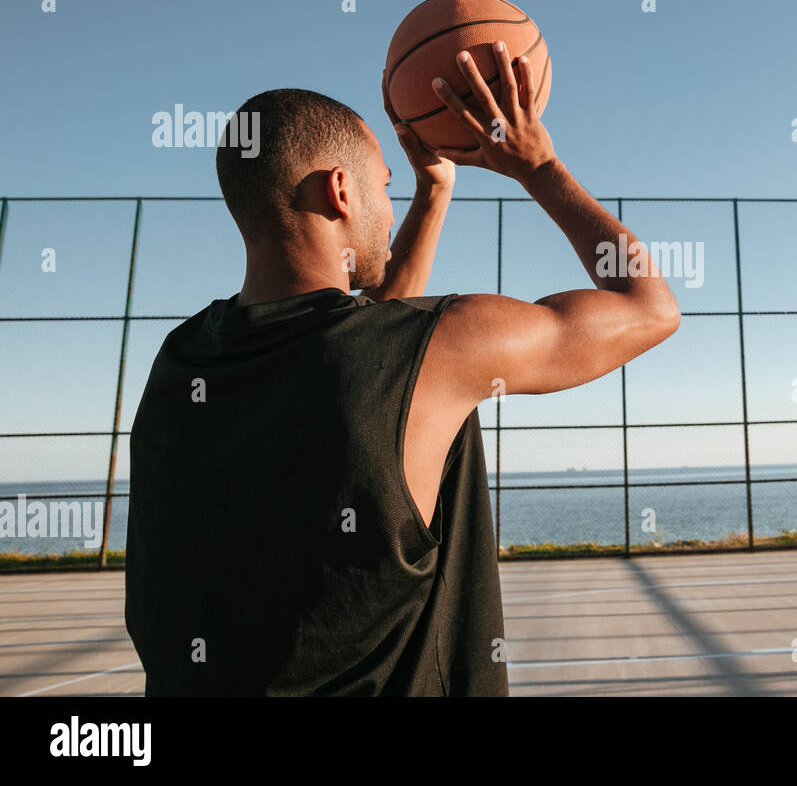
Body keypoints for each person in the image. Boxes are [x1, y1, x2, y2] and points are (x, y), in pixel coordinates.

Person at [125, 42, 681, 695]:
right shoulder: (436, 347)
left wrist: (432, 189)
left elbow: (357, 338)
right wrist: (538, 164)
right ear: (340, 190)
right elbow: (648, 307)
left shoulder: (180, 361)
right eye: (384, 188)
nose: (389, 210)